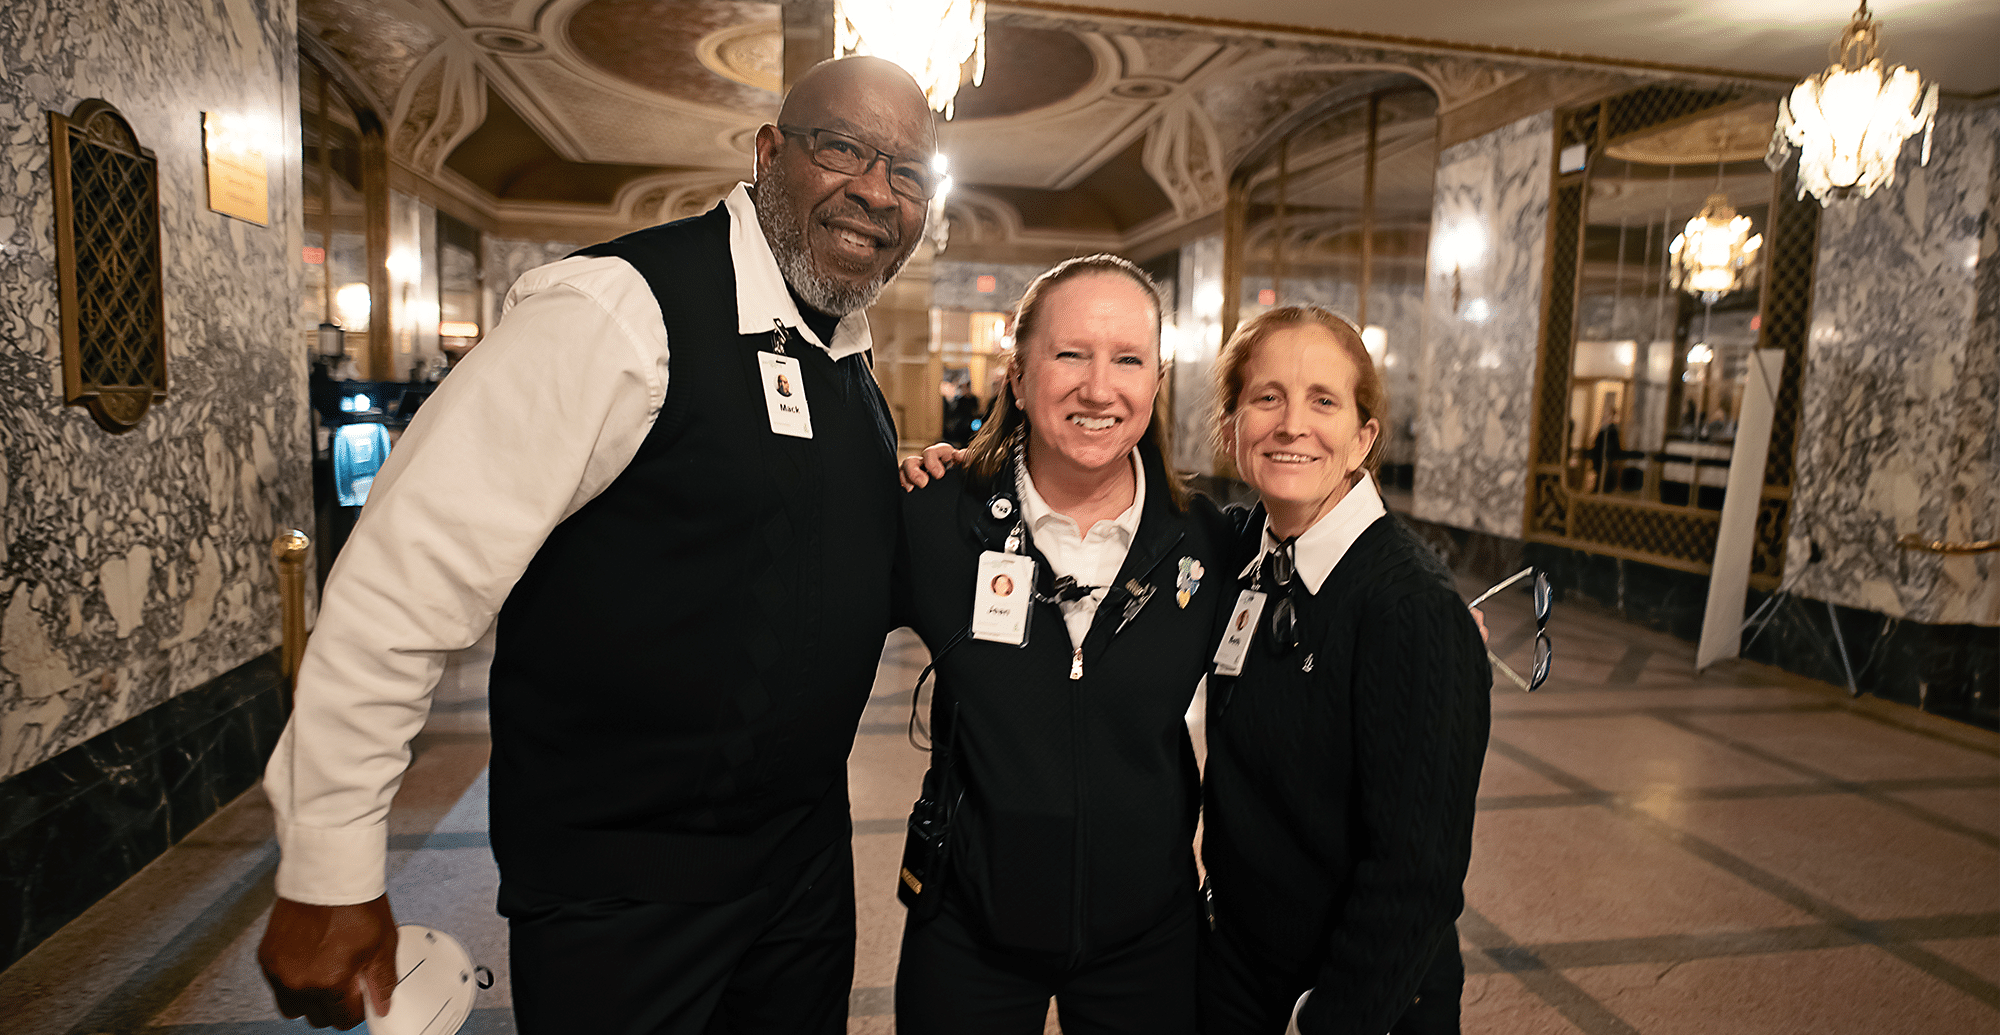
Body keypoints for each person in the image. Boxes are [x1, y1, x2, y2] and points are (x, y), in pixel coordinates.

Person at [255, 56, 936, 1034]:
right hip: (622, 896)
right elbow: (397, 585)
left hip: (801, 878)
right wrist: (329, 868)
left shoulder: (845, 357)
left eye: (907, 171)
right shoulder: (614, 312)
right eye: (842, 148)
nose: (875, 190)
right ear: (768, 153)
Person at [892, 255, 1236, 1034]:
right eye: (1070, 353)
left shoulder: (1208, 544)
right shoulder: (936, 522)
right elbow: (802, 616)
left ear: (1156, 380)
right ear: (1018, 376)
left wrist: (1426, 613)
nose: (1098, 387)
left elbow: (1321, 591)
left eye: (1127, 359)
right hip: (967, 929)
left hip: (1147, 938)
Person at [1199, 305, 1490, 1035]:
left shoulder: (1408, 604)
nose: (1292, 424)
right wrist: (969, 468)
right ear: (1233, 425)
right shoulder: (1248, 554)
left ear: (1363, 437)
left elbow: (1418, 872)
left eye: (1323, 400)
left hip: (1358, 998)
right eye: (1267, 397)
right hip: (1239, 970)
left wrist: (1330, 1020)